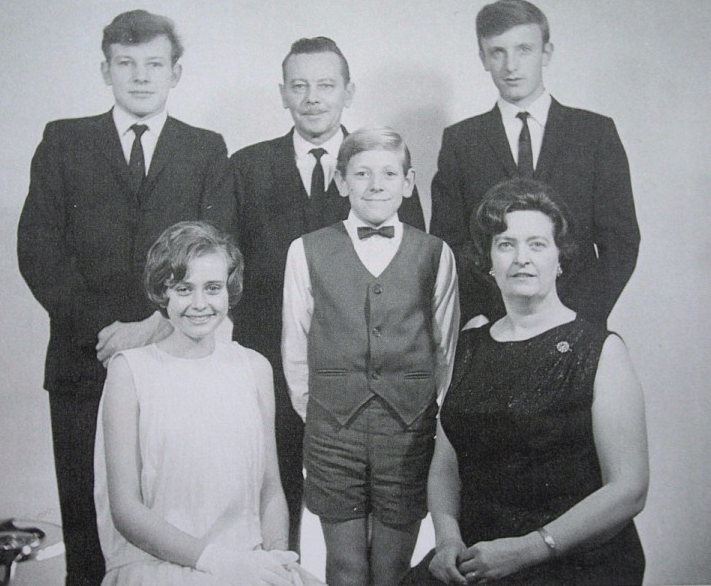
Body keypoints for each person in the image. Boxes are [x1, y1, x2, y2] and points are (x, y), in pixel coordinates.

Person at [17, 10, 232, 585]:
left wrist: (149, 327)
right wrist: (109, 333)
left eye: (154, 64)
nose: (140, 77)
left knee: (170, 521)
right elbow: (38, 250)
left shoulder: (205, 148)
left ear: (176, 72)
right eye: (126, 64)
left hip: (173, 360)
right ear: (105, 70)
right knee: (87, 533)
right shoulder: (64, 140)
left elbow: (221, 252)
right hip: (83, 362)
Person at [227, 36, 425, 550]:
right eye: (300, 86)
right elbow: (229, 265)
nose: (313, 98)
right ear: (283, 94)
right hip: (271, 360)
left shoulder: (379, 164)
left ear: (348, 91)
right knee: (273, 498)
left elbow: (414, 267)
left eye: (326, 85)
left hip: (367, 375)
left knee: (367, 519)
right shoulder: (246, 166)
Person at [403, 178, 648, 586]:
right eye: (505, 244)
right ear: (488, 261)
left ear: (560, 259)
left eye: (537, 244)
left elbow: (629, 489)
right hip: (478, 556)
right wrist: (446, 539)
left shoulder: (600, 350)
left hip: (571, 557)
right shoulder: (468, 345)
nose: (522, 258)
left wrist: (531, 548)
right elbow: (446, 467)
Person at [94, 221, 324, 586]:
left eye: (213, 288)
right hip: (157, 567)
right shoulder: (130, 371)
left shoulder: (254, 368)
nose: (199, 304)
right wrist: (218, 563)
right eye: (184, 289)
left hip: (247, 563)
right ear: (162, 293)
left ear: (229, 292)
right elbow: (126, 510)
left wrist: (276, 561)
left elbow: (270, 490)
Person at [282, 127, 459, 586]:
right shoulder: (305, 250)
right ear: (341, 181)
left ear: (408, 181)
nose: (375, 184)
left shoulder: (435, 253)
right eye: (361, 173)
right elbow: (295, 344)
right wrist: (321, 411)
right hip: (332, 430)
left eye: (388, 173)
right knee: (344, 566)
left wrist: (423, 409)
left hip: (407, 429)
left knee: (391, 568)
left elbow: (445, 346)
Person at [430, 0, 640, 329]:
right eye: (497, 52)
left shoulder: (594, 132)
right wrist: (479, 315)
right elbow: (448, 243)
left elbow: (621, 242)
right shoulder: (462, 141)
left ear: (546, 53)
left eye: (524, 49)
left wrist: (581, 318)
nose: (510, 65)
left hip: (577, 325)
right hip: (492, 327)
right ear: (483, 58)